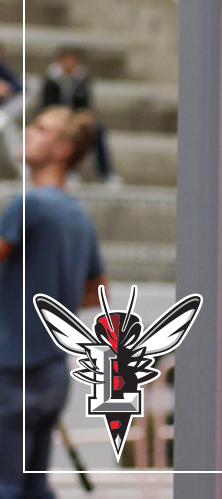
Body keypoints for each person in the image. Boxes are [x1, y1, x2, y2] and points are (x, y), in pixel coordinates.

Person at [2, 107, 108, 499]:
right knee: (33, 485)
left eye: (40, 128)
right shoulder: (79, 217)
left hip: (13, 370)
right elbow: (97, 293)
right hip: (51, 376)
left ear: (62, 149)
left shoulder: (28, 206)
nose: (27, 131)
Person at [36, 47, 114, 185]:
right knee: (66, 133)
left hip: (75, 119)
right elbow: (46, 106)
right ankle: (68, 171)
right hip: (55, 118)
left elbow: (85, 106)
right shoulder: (50, 79)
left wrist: (81, 117)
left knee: (96, 129)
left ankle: (106, 173)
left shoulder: (82, 80)